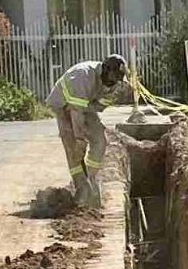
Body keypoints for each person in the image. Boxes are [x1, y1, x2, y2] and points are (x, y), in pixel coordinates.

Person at [45, 51, 128, 207]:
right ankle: (81, 189)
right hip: (63, 106)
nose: (115, 82)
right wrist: (80, 140)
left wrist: (95, 107)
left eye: (118, 78)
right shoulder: (82, 76)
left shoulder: (112, 84)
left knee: (100, 141)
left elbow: (99, 106)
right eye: (113, 77)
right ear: (105, 69)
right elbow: (76, 114)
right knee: (73, 149)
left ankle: (90, 178)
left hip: (85, 106)